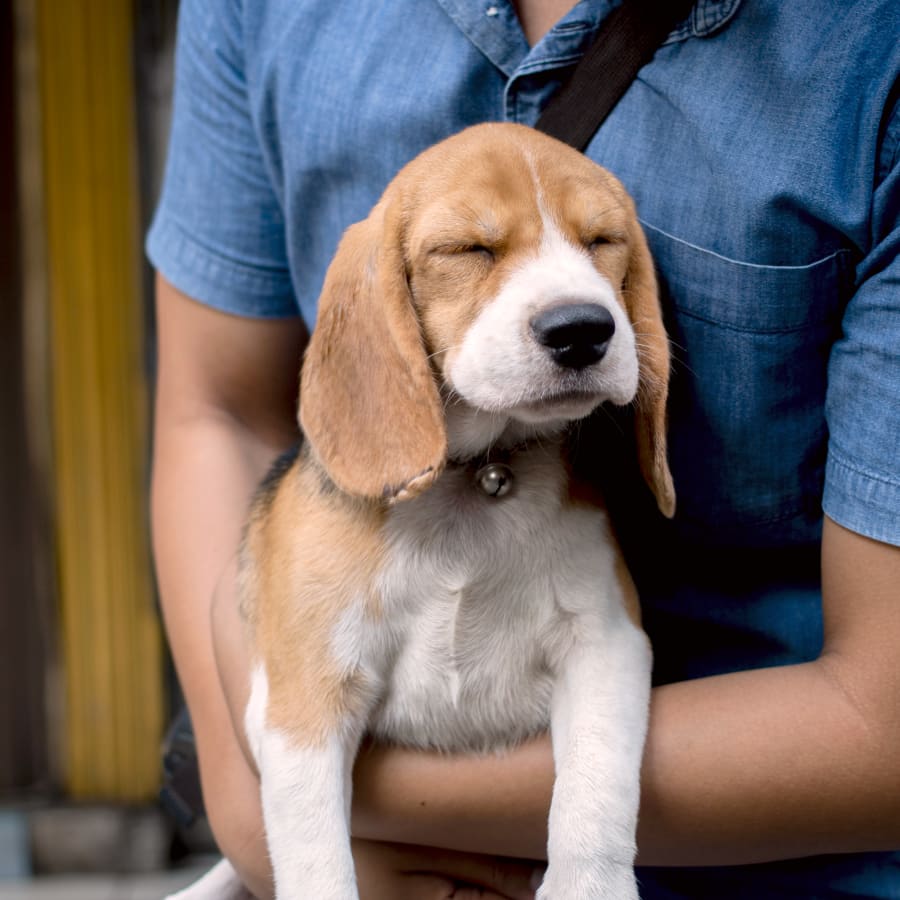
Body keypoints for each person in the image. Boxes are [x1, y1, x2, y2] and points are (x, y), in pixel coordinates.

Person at [147, 0, 900, 897]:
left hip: (787, 858)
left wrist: (354, 804)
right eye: (470, 249)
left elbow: (880, 721)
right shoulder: (259, 16)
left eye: (601, 243)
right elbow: (215, 412)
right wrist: (260, 811)